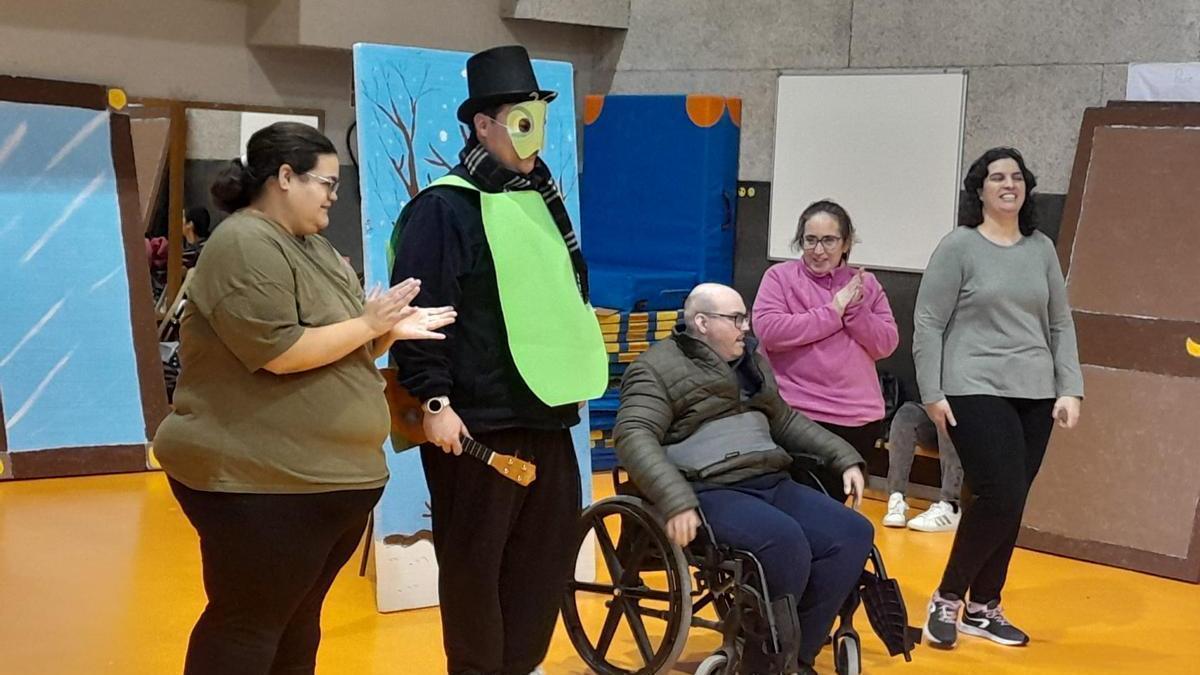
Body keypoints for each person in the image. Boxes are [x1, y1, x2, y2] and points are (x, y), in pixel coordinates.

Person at [153, 122, 456, 675]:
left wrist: (388, 330)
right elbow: (281, 351)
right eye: (327, 183)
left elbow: (341, 340)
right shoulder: (244, 243)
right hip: (258, 480)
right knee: (249, 623)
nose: (334, 198)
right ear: (285, 178)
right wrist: (369, 324)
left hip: (324, 480)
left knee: (295, 620)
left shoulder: (312, 246)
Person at [389, 45, 607, 675]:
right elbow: (419, 313)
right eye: (520, 118)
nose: (532, 133)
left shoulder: (541, 200)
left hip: (546, 417)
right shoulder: (443, 208)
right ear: (484, 125)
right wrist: (435, 401)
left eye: (538, 116)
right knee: (475, 572)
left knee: (541, 568)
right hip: (475, 426)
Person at [615, 283, 874, 675]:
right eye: (736, 319)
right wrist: (676, 500)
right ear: (701, 323)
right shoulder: (654, 368)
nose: (746, 327)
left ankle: (796, 655)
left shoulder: (750, 361)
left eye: (745, 317)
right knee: (786, 542)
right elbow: (633, 435)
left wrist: (845, 458)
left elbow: (784, 420)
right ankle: (765, 660)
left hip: (769, 478)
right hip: (709, 488)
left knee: (852, 533)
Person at [914, 147, 1083, 650]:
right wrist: (931, 393)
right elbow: (928, 322)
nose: (1008, 184)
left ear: (1026, 187)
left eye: (1016, 177)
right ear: (979, 189)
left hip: (1036, 389)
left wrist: (1070, 386)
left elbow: (1059, 321)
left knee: (1011, 501)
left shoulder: (1041, 248)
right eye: (996, 177)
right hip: (972, 383)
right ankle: (946, 599)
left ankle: (984, 607)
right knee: (1001, 491)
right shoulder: (959, 247)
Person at [753, 200, 899, 482]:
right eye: (811, 240)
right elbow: (770, 331)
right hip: (798, 414)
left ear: (846, 244)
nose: (818, 251)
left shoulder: (865, 285)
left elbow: (886, 344)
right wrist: (833, 312)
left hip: (858, 417)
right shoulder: (779, 278)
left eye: (829, 241)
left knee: (835, 511)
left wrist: (855, 311)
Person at [882, 401, 964, 532]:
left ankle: (951, 505)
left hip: (968, 421)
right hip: (937, 420)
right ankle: (896, 497)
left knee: (952, 413)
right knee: (907, 412)